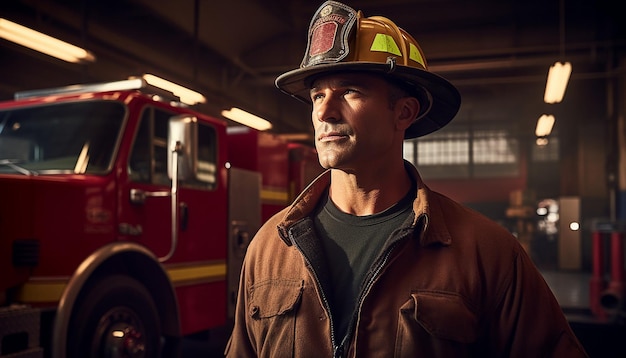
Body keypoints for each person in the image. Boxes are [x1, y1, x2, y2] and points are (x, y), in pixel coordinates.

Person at [225, 1, 589, 357]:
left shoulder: (487, 253)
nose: (323, 111)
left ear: (404, 112)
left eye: (349, 91)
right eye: (317, 94)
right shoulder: (270, 247)